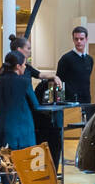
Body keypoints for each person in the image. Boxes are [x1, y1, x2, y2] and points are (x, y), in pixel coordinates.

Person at [0, 49, 41, 184]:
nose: (25, 68)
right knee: (25, 164)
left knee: (6, 164)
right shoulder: (24, 82)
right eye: (24, 65)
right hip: (21, 130)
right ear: (18, 66)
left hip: (1, 129)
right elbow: (35, 105)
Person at [10, 34, 64, 168]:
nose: (30, 51)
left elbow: (39, 74)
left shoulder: (25, 69)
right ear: (19, 50)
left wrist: (54, 76)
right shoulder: (20, 78)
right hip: (22, 115)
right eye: (28, 48)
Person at [56, 25, 95, 120]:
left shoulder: (90, 59)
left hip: (86, 101)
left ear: (86, 39)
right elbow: (58, 81)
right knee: (72, 131)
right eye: (76, 39)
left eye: (81, 39)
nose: (79, 42)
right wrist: (60, 102)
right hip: (70, 103)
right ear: (73, 40)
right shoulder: (66, 59)